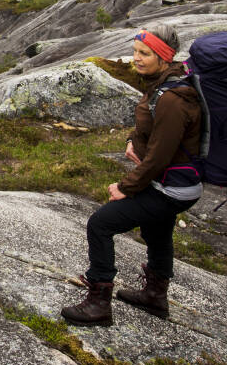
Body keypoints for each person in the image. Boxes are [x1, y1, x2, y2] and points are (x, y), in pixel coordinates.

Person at [61, 24, 202, 326]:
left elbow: (161, 154)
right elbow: (150, 131)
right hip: (175, 183)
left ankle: (99, 303)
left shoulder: (173, 98)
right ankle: (155, 296)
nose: (136, 58)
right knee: (157, 231)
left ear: (164, 57)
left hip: (171, 186)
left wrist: (127, 187)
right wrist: (131, 141)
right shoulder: (162, 85)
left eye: (145, 53)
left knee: (101, 224)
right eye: (135, 51)